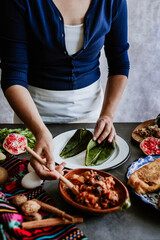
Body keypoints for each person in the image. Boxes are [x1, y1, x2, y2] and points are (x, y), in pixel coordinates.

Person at [0, 0, 130, 180]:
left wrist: (107, 115)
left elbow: (119, 63)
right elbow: (13, 75)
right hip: (34, 117)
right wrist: (40, 131)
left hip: (92, 116)